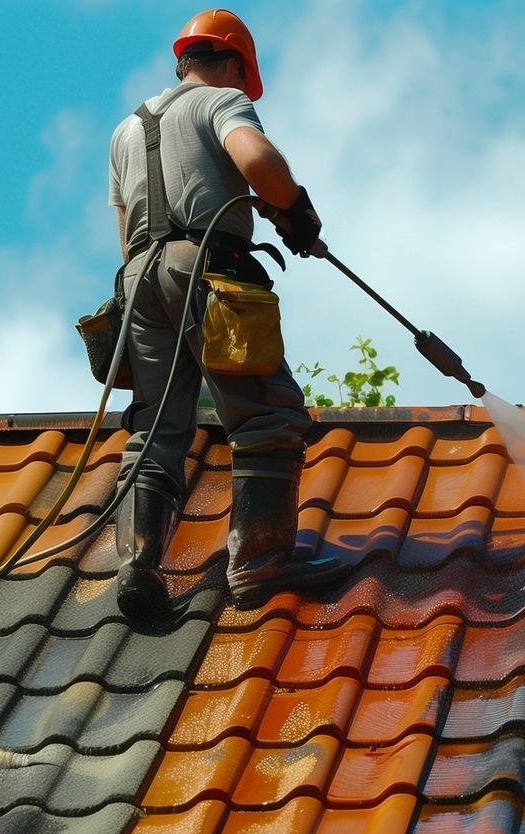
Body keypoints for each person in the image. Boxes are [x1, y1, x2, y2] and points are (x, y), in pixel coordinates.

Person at [107, 8, 350, 622]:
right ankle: (260, 564)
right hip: (207, 272)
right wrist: (294, 209)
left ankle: (137, 566)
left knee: (156, 427)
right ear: (235, 65)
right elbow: (257, 160)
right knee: (267, 414)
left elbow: (124, 228)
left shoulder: (127, 129)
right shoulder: (220, 102)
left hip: (138, 282)